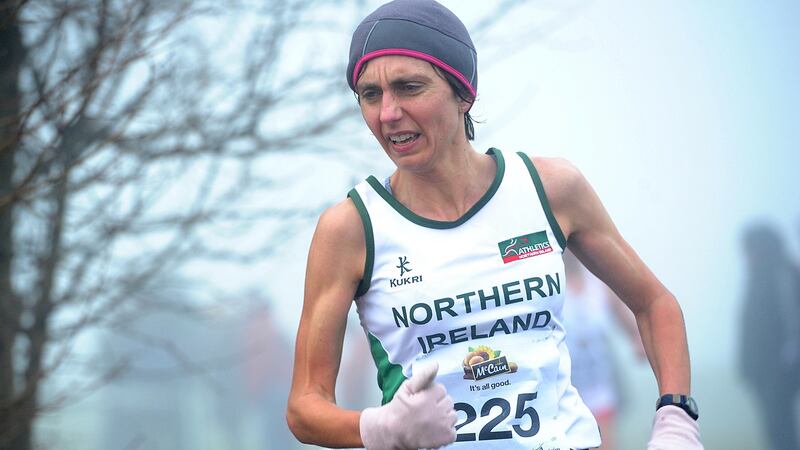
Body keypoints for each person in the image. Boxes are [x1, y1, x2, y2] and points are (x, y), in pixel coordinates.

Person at [286, 1, 703, 448]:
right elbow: (304, 407)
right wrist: (378, 428)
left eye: (409, 88)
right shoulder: (350, 228)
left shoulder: (551, 189)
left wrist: (676, 419)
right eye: (371, 94)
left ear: (464, 92)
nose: (387, 113)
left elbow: (655, 304)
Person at [562, 249, 645, 450]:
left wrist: (639, 341)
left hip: (600, 383)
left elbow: (626, 319)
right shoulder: (548, 285)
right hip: (564, 389)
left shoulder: (597, 282)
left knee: (603, 444)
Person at [738, 223, 800, 450]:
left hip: (780, 369)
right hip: (762, 370)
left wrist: (788, 359)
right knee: (774, 429)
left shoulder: (782, 273)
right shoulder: (757, 275)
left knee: (782, 429)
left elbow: (792, 319)